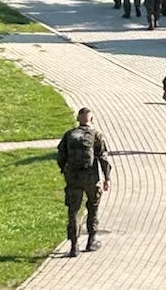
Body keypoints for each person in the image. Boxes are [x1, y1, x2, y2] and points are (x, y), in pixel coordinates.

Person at [57, 108, 111, 257]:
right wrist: (107, 178)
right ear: (92, 120)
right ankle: (91, 241)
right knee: (93, 207)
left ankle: (74, 245)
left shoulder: (69, 135)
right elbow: (103, 158)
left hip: (73, 178)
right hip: (91, 179)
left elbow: (61, 156)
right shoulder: (96, 135)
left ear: (77, 119)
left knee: (73, 211)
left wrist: (64, 170)